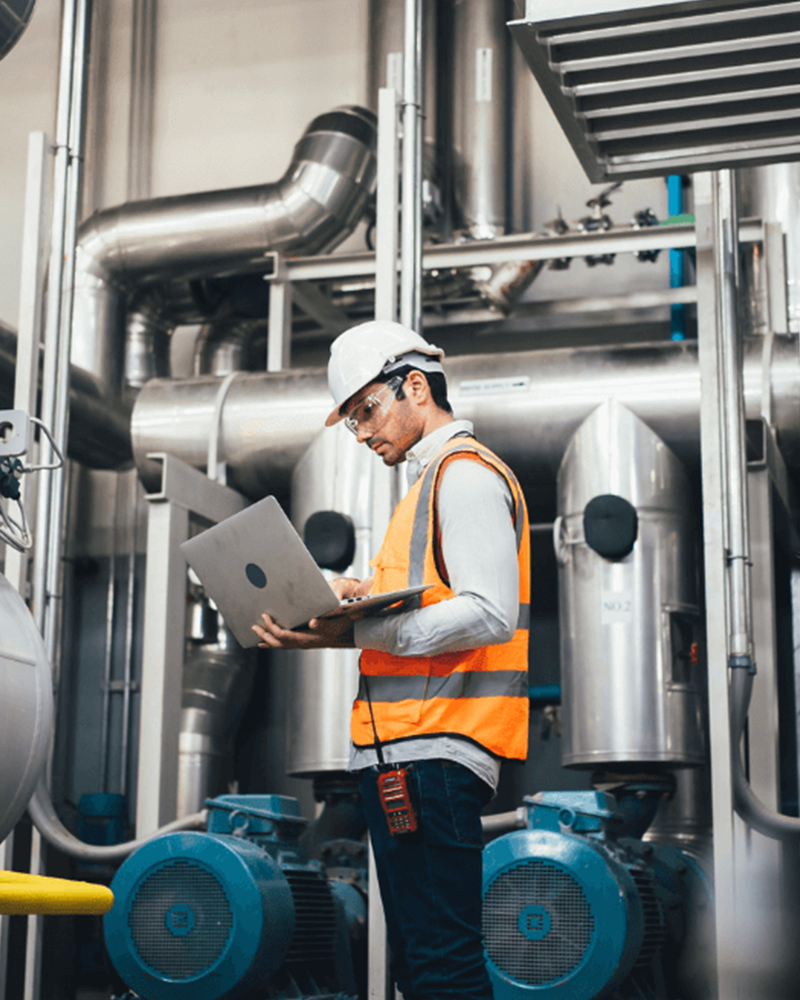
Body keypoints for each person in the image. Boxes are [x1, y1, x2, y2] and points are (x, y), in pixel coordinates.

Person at [253, 320, 530, 1000]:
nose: (364, 433)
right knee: (422, 965)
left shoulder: (462, 476)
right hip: (408, 754)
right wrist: (352, 603)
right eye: (351, 423)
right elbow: (428, 602)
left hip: (434, 753)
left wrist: (360, 635)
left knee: (444, 967)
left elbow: (490, 610)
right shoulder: (429, 485)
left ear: (414, 385)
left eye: (367, 411)